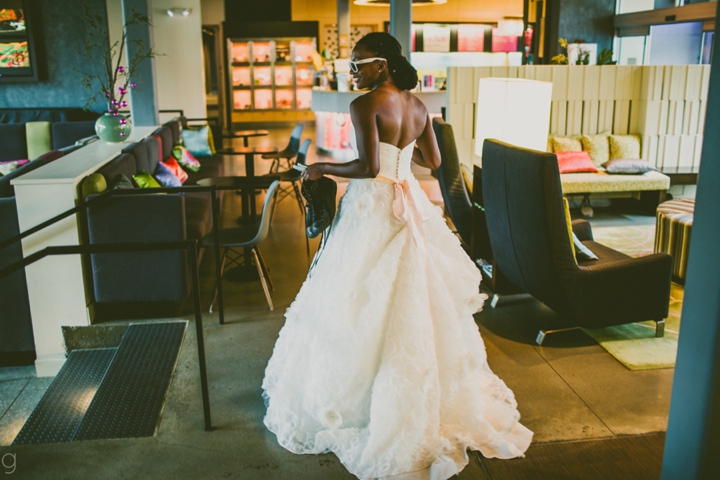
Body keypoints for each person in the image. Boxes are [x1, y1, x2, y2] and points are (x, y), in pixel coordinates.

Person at [262, 32, 532, 480]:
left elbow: (367, 169)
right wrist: (401, 163)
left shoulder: (364, 106)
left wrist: (321, 167)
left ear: (382, 64)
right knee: (415, 299)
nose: (353, 72)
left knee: (355, 296)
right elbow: (434, 159)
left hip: (373, 208)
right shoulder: (418, 105)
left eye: (358, 64)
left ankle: (364, 398)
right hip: (410, 204)